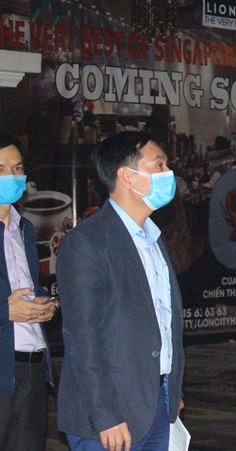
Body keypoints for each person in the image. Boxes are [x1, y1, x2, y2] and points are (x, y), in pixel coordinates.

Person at [56, 131, 185, 451]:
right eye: (159, 165)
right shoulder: (88, 242)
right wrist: (105, 415)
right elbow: (82, 337)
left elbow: (163, 321)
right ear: (127, 177)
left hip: (156, 404)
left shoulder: (153, 239)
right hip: (110, 416)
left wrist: (172, 390)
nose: (168, 172)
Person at [0, 134, 58, 450]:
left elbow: (26, 287)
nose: (12, 175)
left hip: (33, 365)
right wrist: (5, 310)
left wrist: (43, 304)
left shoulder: (25, 229)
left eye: (18, 168)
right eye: (1, 168)